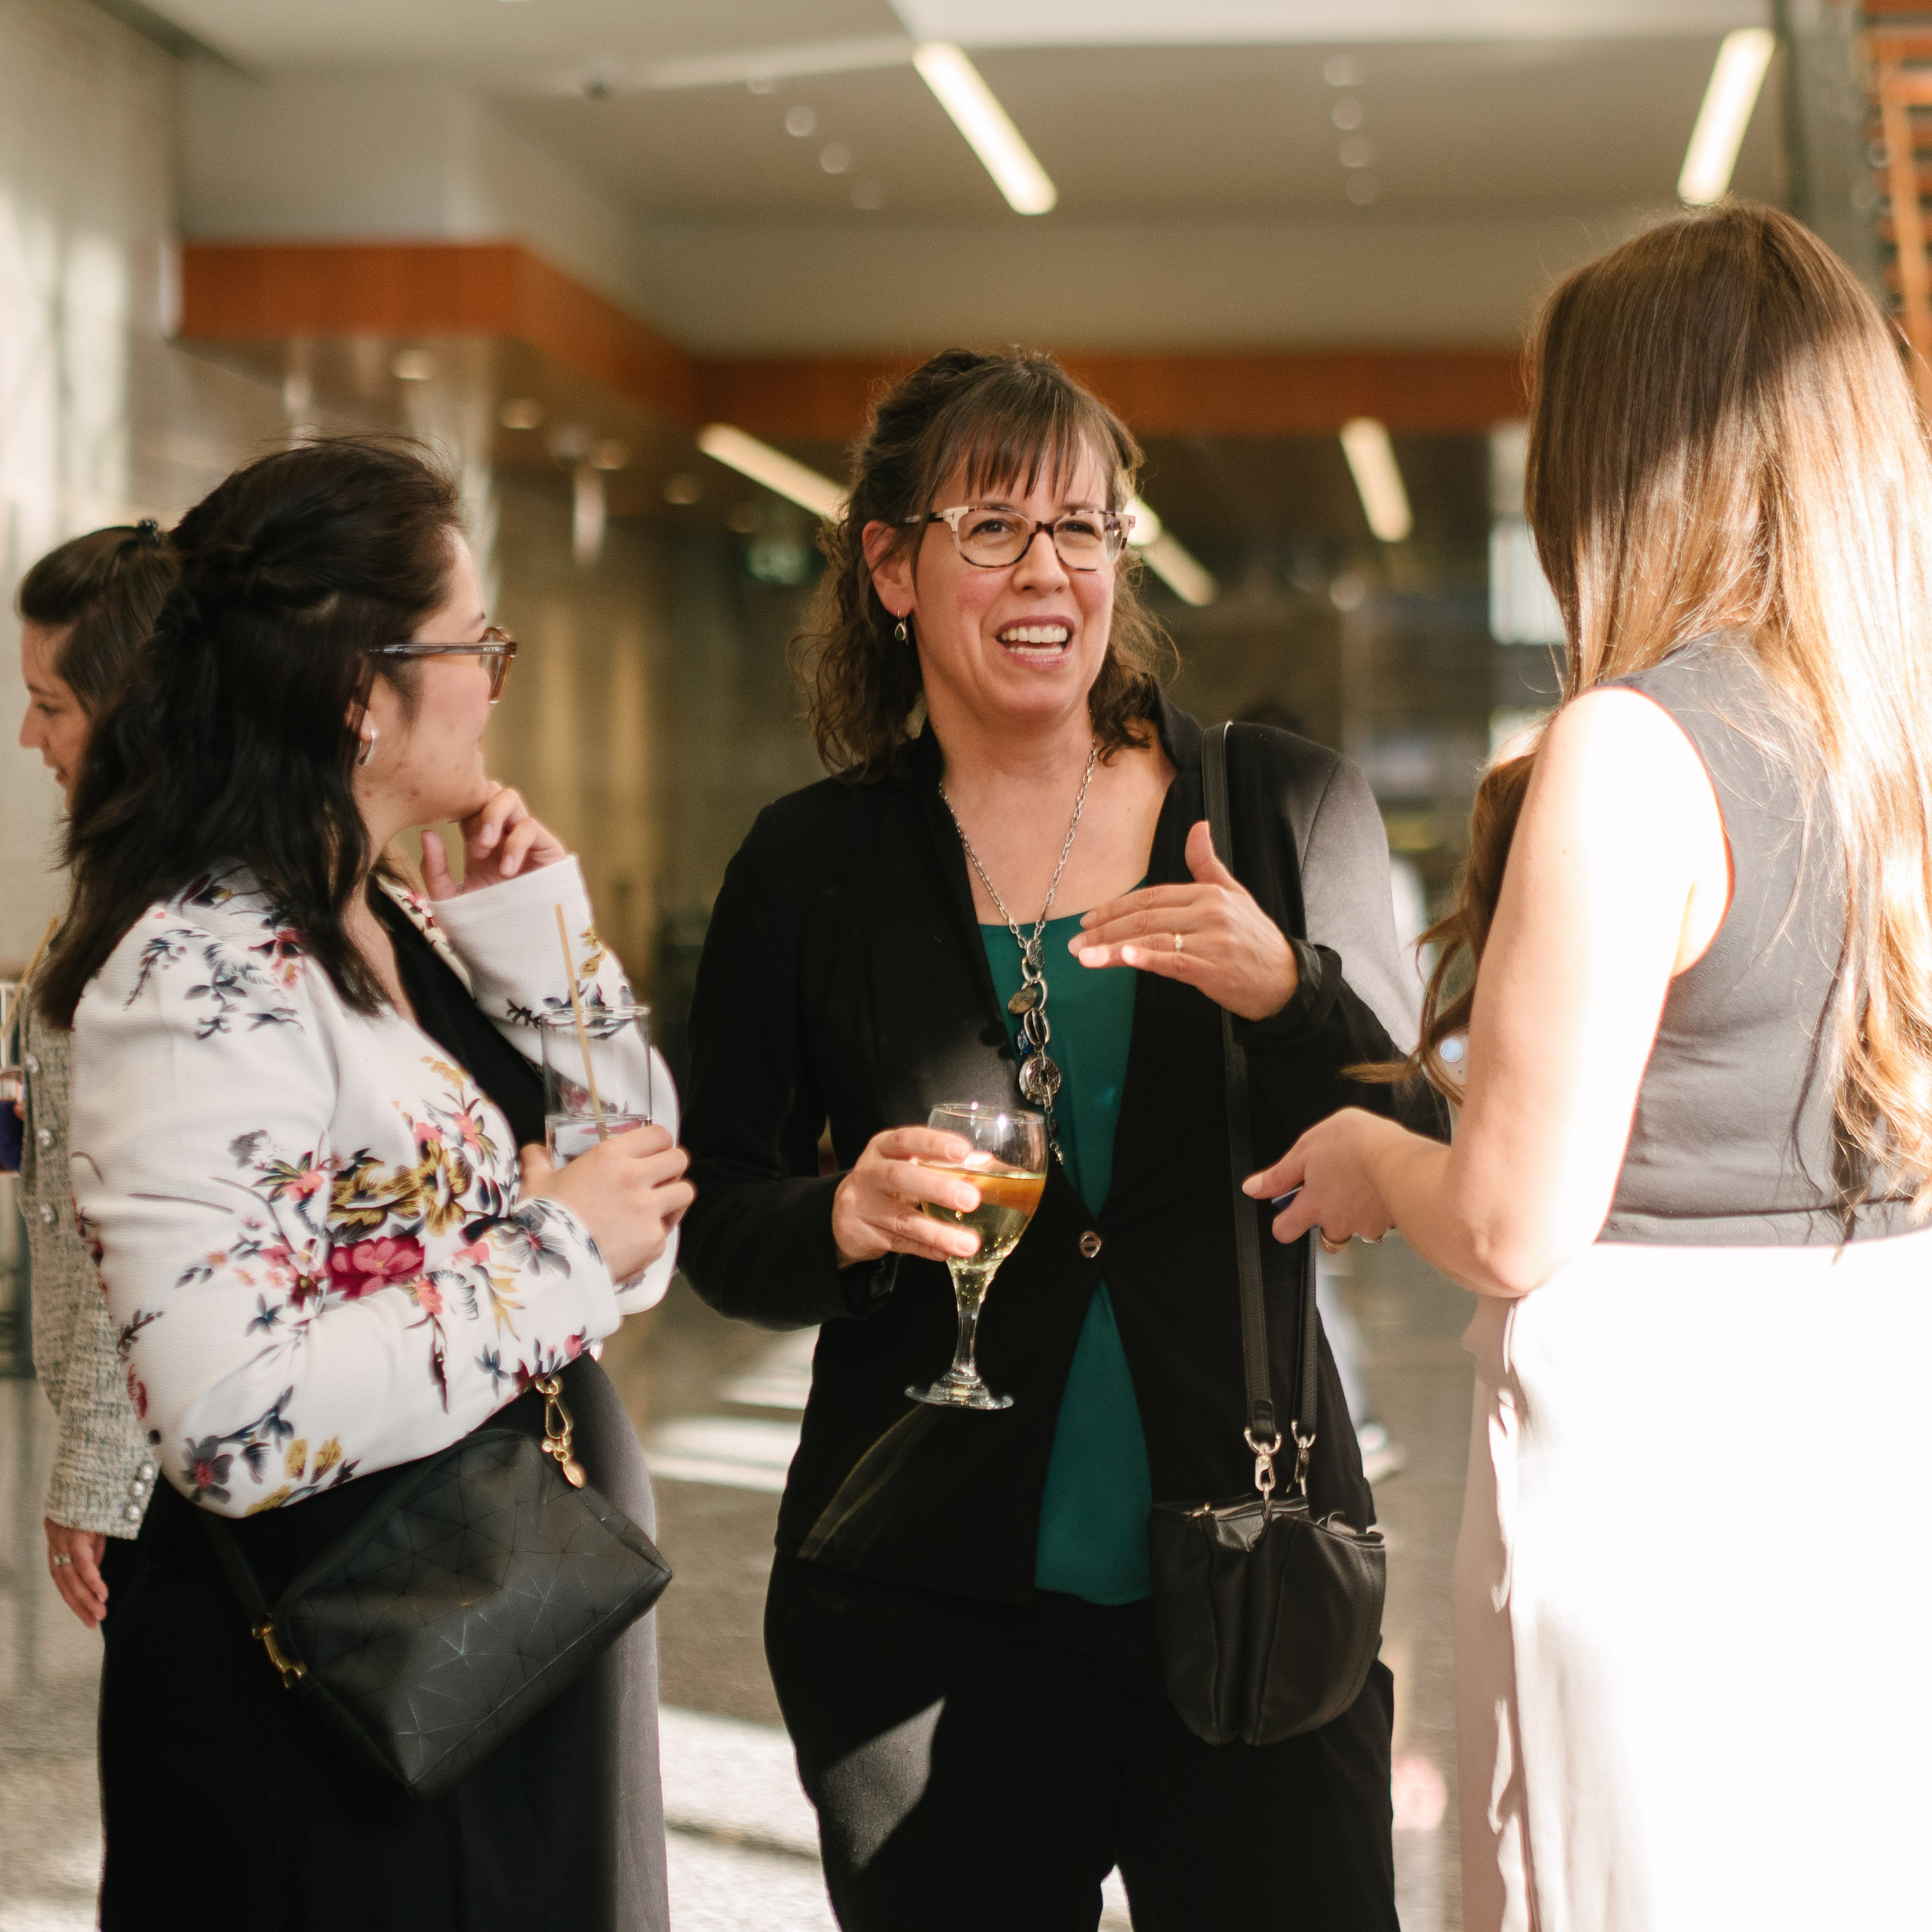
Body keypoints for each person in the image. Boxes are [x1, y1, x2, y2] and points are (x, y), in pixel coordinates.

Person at [678, 348, 1444, 1930]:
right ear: (889, 565)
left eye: (1085, 527)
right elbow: (721, 1218)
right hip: (918, 1615)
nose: (1049, 569)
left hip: (1248, 1569)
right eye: (993, 526)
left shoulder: (1280, 811)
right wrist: (835, 1212)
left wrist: (1282, 987)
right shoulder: (810, 865)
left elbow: (1416, 1142)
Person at [1249, 203, 1932, 1930]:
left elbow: (1507, 1219)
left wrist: (1367, 1154)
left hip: (1660, 1484)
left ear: (1629, 453)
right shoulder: (1888, 747)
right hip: (1867, 1456)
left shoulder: (1633, 748)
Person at [37, 439, 691, 1931]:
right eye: (477, 646)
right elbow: (227, 1417)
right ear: (359, 691)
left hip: (500, 1622)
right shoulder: (196, 971)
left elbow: (639, 1205)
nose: (493, 680)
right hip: (334, 1686)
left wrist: (537, 930)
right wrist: (548, 1246)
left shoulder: (395, 917)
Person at [8, 522, 178, 1629]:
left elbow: (143, 1211)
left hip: (175, 1484)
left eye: (51, 704)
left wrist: (100, 1473)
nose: (28, 734)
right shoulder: (115, 897)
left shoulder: (159, 930)